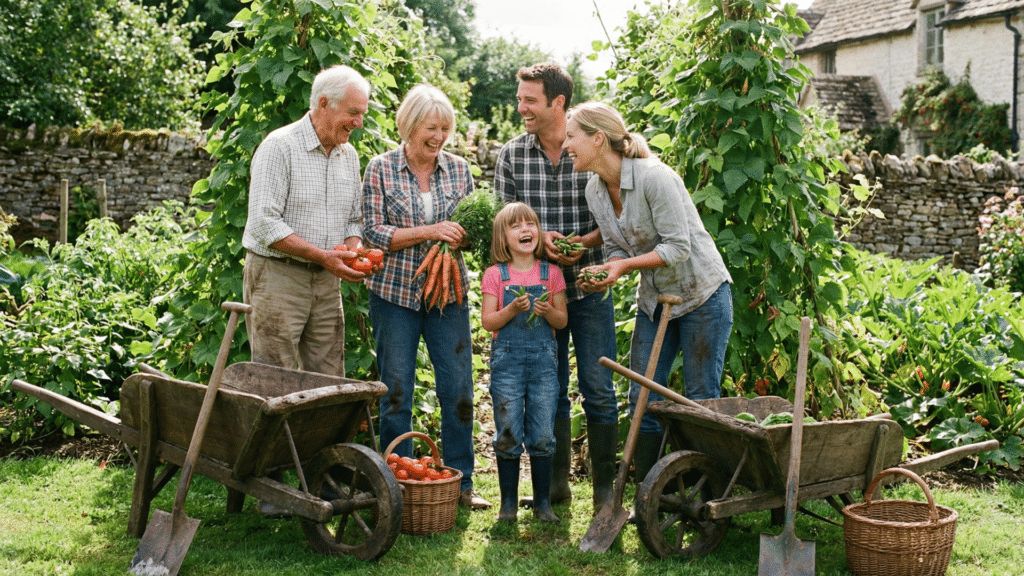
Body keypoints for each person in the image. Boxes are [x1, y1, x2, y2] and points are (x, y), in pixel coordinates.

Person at [565, 101, 734, 484]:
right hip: (655, 302)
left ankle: (707, 495)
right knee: (642, 398)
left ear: (597, 138)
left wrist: (623, 266)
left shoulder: (654, 178)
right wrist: (609, 268)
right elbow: (615, 244)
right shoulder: (595, 189)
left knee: (700, 399)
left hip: (702, 296)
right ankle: (654, 491)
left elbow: (679, 248)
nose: (566, 144)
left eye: (572, 136)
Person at [241, 64, 373, 517]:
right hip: (279, 273)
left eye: (362, 114)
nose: (358, 122)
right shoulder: (280, 147)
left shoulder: (348, 155)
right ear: (323, 104)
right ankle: (269, 484)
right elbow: (263, 223)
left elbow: (354, 219)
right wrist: (324, 256)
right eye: (352, 112)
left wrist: (353, 248)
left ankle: (323, 476)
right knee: (274, 374)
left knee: (327, 377)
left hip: (326, 278)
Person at [493, 62, 619, 514]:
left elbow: (619, 212)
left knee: (599, 386)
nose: (521, 107)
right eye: (520, 97)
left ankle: (606, 490)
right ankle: (557, 487)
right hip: (540, 294)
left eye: (530, 100)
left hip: (588, 287)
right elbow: (503, 222)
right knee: (552, 387)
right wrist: (540, 241)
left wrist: (584, 243)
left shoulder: (588, 143)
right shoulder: (512, 155)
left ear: (558, 102)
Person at [362, 84, 490, 510]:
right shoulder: (380, 169)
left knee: (458, 390)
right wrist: (430, 232)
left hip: (447, 294)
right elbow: (373, 234)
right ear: (409, 126)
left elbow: (474, 230)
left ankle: (461, 484)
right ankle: (395, 483)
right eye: (430, 128)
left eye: (445, 129)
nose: (438, 138)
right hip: (393, 295)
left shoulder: (458, 170)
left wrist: (458, 239)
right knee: (396, 390)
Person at [481, 202, 568, 523]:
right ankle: (508, 505)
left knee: (543, 432)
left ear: (539, 232)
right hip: (508, 364)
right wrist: (511, 311)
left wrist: (548, 312)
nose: (525, 230)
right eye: (515, 226)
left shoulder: (551, 273)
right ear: (502, 238)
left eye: (530, 224)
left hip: (543, 364)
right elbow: (489, 322)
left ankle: (543, 503)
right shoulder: (496, 275)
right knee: (507, 429)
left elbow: (561, 322)